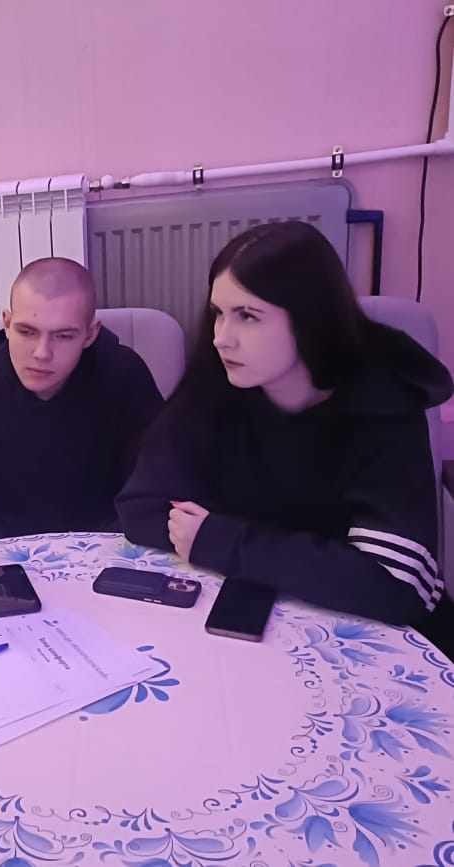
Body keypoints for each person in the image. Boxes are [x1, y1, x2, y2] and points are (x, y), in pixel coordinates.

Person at [117, 221, 454, 651]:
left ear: (312, 320)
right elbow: (141, 507)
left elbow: (394, 585)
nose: (221, 338)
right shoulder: (219, 380)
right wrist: (310, 561)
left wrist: (222, 539)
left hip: (375, 645)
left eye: (248, 316)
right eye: (218, 312)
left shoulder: (383, 401)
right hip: (249, 623)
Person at [0, 257, 164, 549]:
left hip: (104, 547)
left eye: (63, 336)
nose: (42, 353)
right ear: (7, 324)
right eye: (27, 332)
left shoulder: (124, 375)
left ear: (90, 334)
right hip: (1, 550)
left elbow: (155, 480)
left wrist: (100, 546)